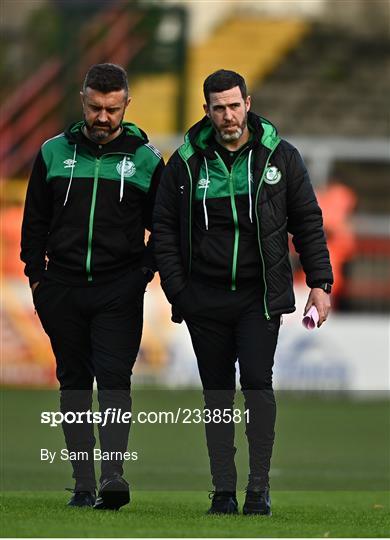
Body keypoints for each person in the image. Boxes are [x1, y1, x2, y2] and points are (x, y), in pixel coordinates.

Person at [153, 69, 333, 515]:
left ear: (248, 104)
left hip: (259, 297)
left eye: (234, 105)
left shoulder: (281, 157)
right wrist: (180, 291)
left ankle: (258, 488)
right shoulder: (186, 162)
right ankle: (223, 490)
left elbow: (307, 220)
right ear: (207, 110)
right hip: (204, 299)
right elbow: (163, 230)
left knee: (256, 383)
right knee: (216, 392)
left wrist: (320, 282)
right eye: (219, 107)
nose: (228, 115)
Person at [21, 63, 164, 510]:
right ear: (82, 99)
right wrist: (37, 277)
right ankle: (83, 483)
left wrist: (142, 272)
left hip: (118, 289)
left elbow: (162, 227)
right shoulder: (50, 153)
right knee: (74, 382)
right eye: (95, 107)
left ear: (126, 105)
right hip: (60, 287)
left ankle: (113, 477)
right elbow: (34, 223)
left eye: (112, 109)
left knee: (115, 381)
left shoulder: (146, 158)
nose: (102, 117)